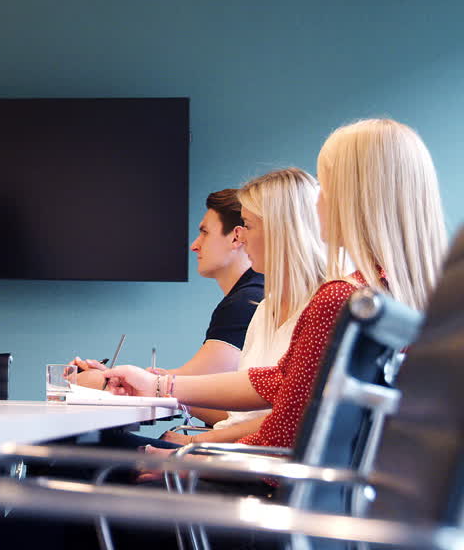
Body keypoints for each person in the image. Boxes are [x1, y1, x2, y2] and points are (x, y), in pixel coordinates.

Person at [107, 118, 448, 457]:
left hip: (266, 481)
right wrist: (161, 386)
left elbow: (282, 435)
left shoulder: (341, 298)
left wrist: (187, 455)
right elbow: (283, 381)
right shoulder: (409, 300)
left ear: (353, 198)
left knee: (91, 455)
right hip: (337, 484)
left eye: (326, 187)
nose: (317, 202)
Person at [162, 167, 328, 445]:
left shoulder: (320, 307)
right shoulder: (263, 309)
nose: (242, 237)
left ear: (279, 231)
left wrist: (195, 442)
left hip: (250, 460)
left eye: (248, 226)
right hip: (232, 451)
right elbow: (246, 409)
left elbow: (288, 417)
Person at [72, 189, 264, 427]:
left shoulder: (246, 303)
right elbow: (176, 385)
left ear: (237, 237)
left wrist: (106, 380)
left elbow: (182, 386)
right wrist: (116, 376)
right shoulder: (250, 298)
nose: (194, 245)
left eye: (204, 232)